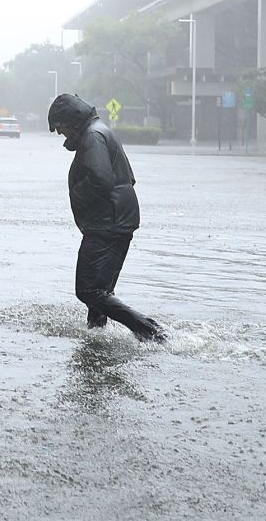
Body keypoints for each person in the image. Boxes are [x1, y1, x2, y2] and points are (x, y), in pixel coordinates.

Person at [47, 93, 167, 343]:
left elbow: (101, 180)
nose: (60, 133)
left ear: (71, 119)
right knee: (101, 292)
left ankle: (149, 331)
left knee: (88, 290)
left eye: (60, 127)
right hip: (118, 221)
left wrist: (77, 195)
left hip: (107, 225)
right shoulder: (99, 132)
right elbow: (128, 178)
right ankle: (96, 339)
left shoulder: (93, 137)